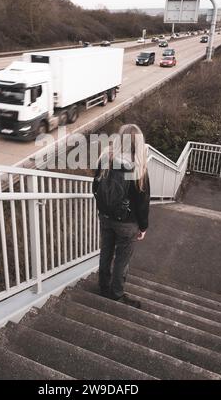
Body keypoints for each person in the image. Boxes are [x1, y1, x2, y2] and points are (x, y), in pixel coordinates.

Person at [93, 124, 150, 308]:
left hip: (106, 217)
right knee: (122, 259)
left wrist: (103, 210)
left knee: (106, 252)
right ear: (139, 143)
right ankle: (116, 294)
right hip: (127, 222)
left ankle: (103, 287)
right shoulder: (138, 165)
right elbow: (142, 201)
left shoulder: (106, 158)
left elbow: (96, 187)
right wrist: (143, 227)